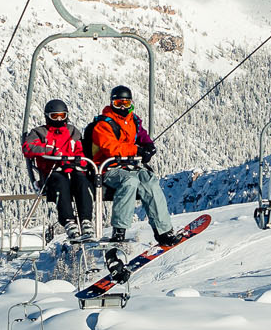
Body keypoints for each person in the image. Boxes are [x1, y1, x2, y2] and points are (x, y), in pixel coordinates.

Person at [84, 84, 178, 246]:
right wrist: (136, 149)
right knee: (130, 182)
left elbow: (141, 135)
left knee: (149, 180)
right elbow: (111, 149)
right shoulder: (103, 125)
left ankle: (163, 231)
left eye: (126, 104)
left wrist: (148, 146)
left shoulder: (133, 120)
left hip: (131, 167)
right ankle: (119, 229)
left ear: (131, 103)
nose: (122, 107)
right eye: (118, 103)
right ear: (112, 103)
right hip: (108, 169)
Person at [22, 98, 96, 237]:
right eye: (54, 116)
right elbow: (28, 148)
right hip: (52, 171)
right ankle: (68, 221)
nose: (58, 119)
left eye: (62, 116)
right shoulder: (40, 132)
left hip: (72, 169)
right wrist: (49, 150)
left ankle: (86, 220)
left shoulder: (72, 131)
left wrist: (80, 162)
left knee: (83, 182)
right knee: (61, 184)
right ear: (47, 117)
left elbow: (79, 149)